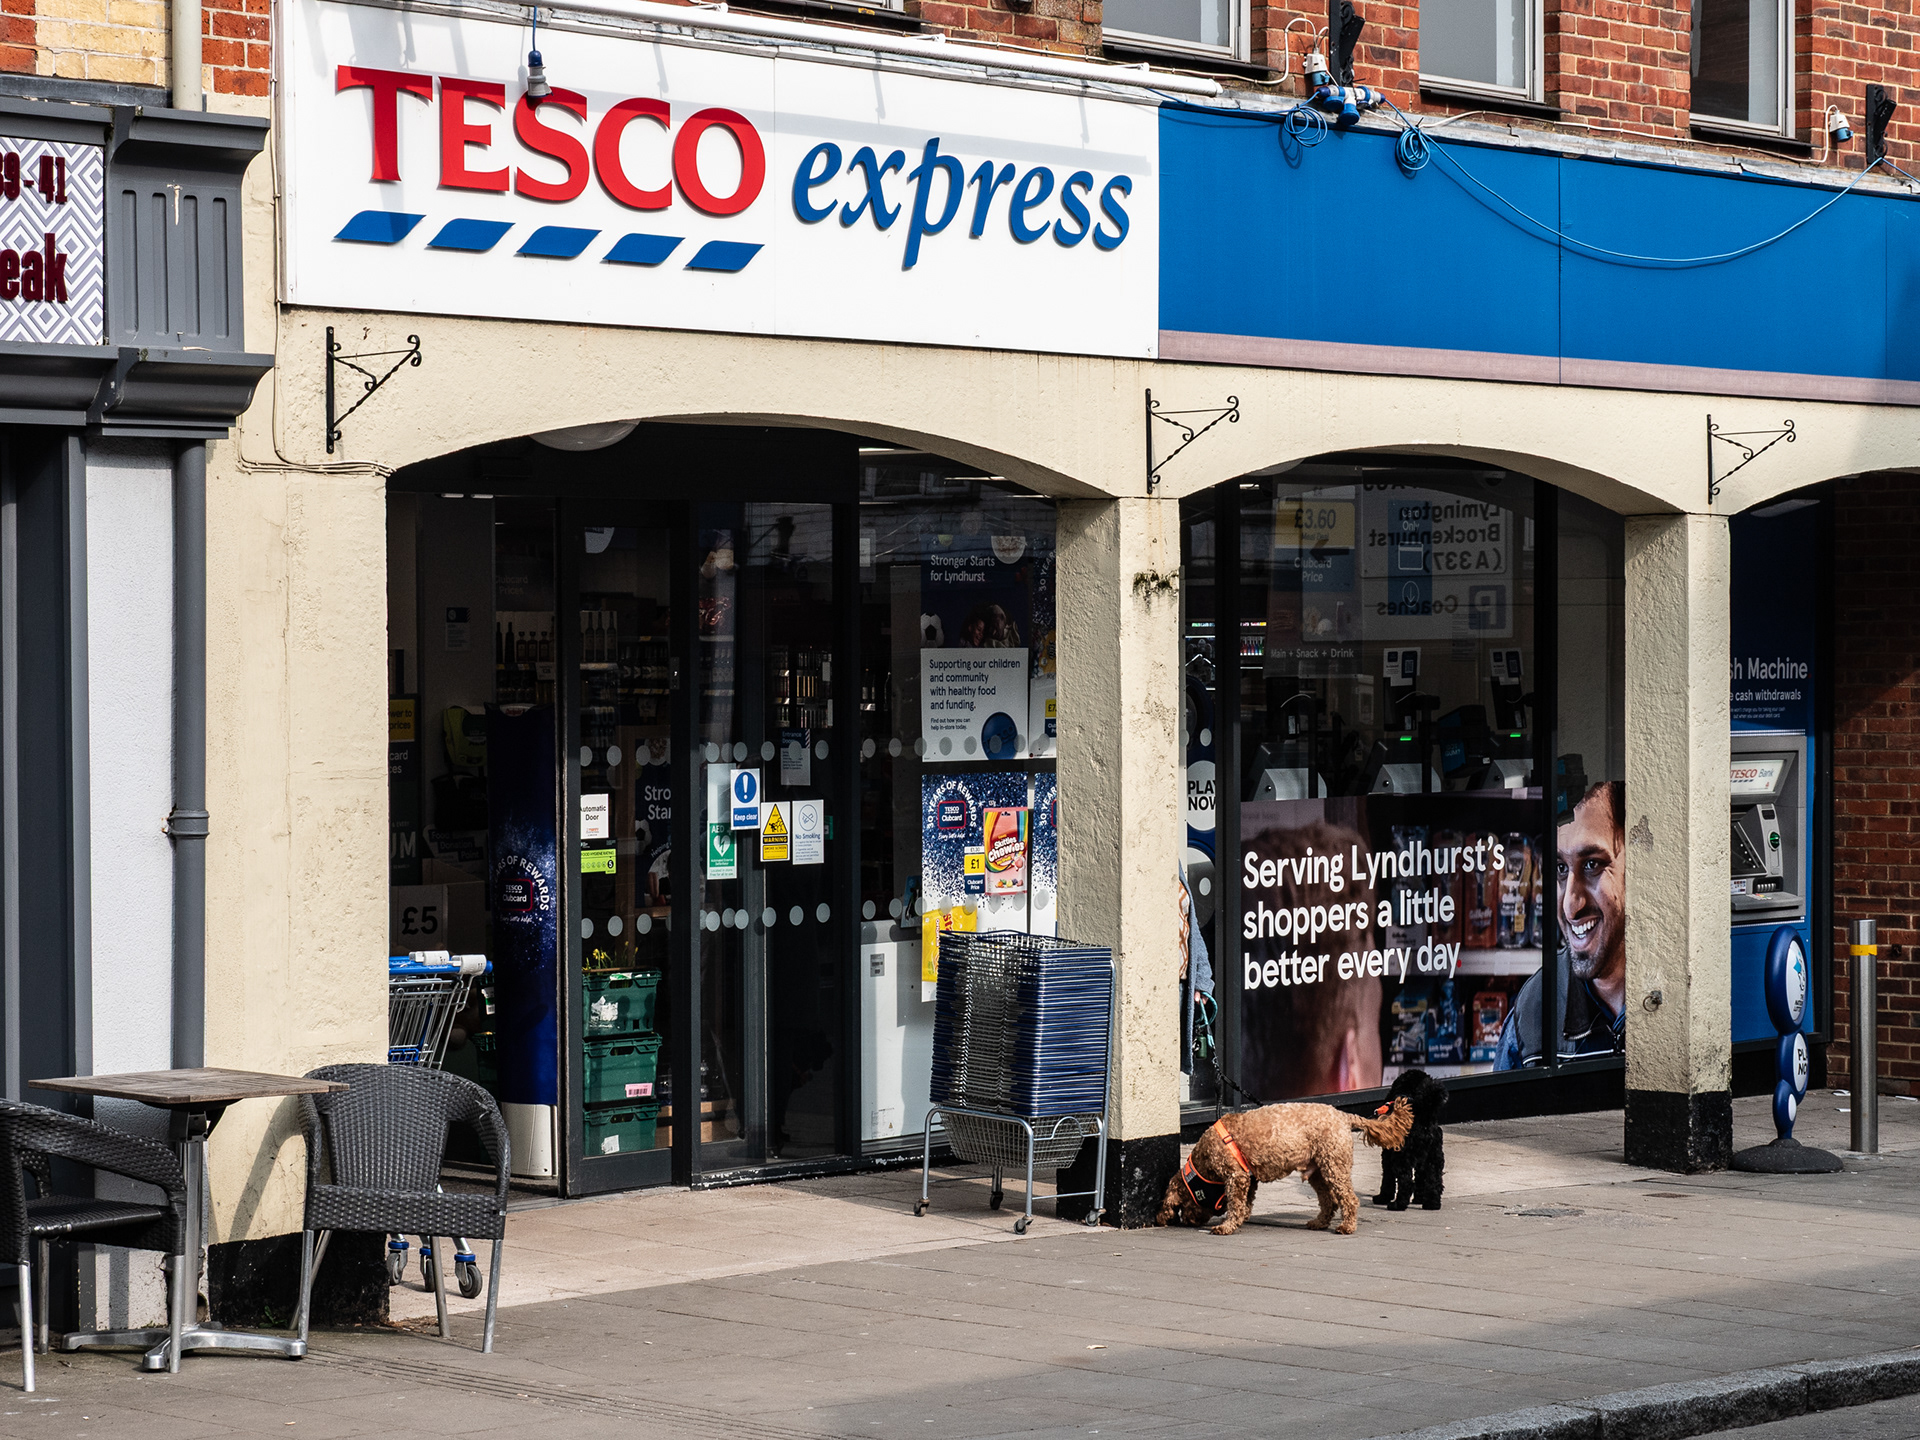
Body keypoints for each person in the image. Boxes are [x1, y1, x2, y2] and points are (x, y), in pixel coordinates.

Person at [1495, 780, 1627, 1069]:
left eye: (1592, 864)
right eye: (1560, 869)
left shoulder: (1686, 995)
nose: (1570, 905)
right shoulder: (1533, 1010)